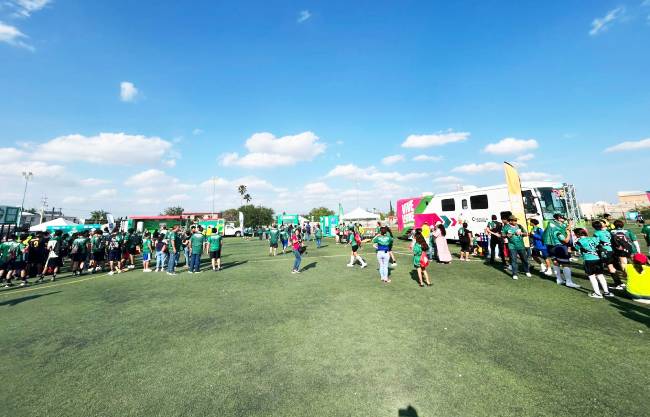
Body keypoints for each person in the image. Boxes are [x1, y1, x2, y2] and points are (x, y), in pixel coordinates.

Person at [574, 228, 613, 299]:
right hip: (598, 259)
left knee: (592, 276)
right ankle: (607, 292)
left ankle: (597, 293)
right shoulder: (593, 238)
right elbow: (599, 246)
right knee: (600, 275)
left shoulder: (579, 241)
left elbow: (575, 248)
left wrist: (576, 242)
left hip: (589, 260)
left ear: (577, 234)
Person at [543, 213, 579, 288]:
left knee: (555, 262)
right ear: (559, 218)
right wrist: (568, 234)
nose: (564, 219)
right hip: (560, 247)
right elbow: (566, 240)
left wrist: (570, 223)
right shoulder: (557, 228)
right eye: (563, 218)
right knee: (566, 264)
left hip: (551, 247)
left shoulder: (553, 224)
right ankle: (569, 282)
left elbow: (566, 228)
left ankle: (559, 279)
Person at [502, 215, 531, 280]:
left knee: (524, 259)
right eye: (514, 220)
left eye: (516, 220)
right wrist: (507, 235)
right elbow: (502, 235)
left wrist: (521, 233)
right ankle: (514, 274)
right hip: (512, 246)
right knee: (513, 260)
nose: (515, 222)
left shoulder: (519, 226)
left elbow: (526, 234)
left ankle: (527, 271)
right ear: (510, 221)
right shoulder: (506, 227)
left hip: (521, 246)